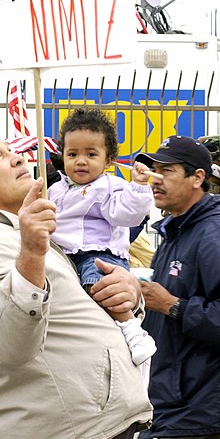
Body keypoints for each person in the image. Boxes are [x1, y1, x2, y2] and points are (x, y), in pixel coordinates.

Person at [0, 131, 152, 439]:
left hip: (84, 427)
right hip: (67, 433)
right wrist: (32, 252)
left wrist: (127, 292)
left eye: (10, 150)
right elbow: (8, 345)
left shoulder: (8, 233)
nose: (18, 157)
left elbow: (68, 311)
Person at [47, 108, 156, 366]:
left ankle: (131, 329)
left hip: (98, 255)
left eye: (91, 154)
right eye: (72, 154)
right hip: (63, 257)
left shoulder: (109, 186)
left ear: (109, 160)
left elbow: (128, 215)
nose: (81, 161)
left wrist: (139, 186)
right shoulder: (54, 189)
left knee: (99, 286)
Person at [134, 135, 220, 439]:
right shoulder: (176, 231)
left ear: (198, 177)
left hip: (201, 414)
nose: (155, 179)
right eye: (154, 169)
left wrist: (173, 305)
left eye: (166, 171)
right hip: (172, 410)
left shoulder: (212, 233)